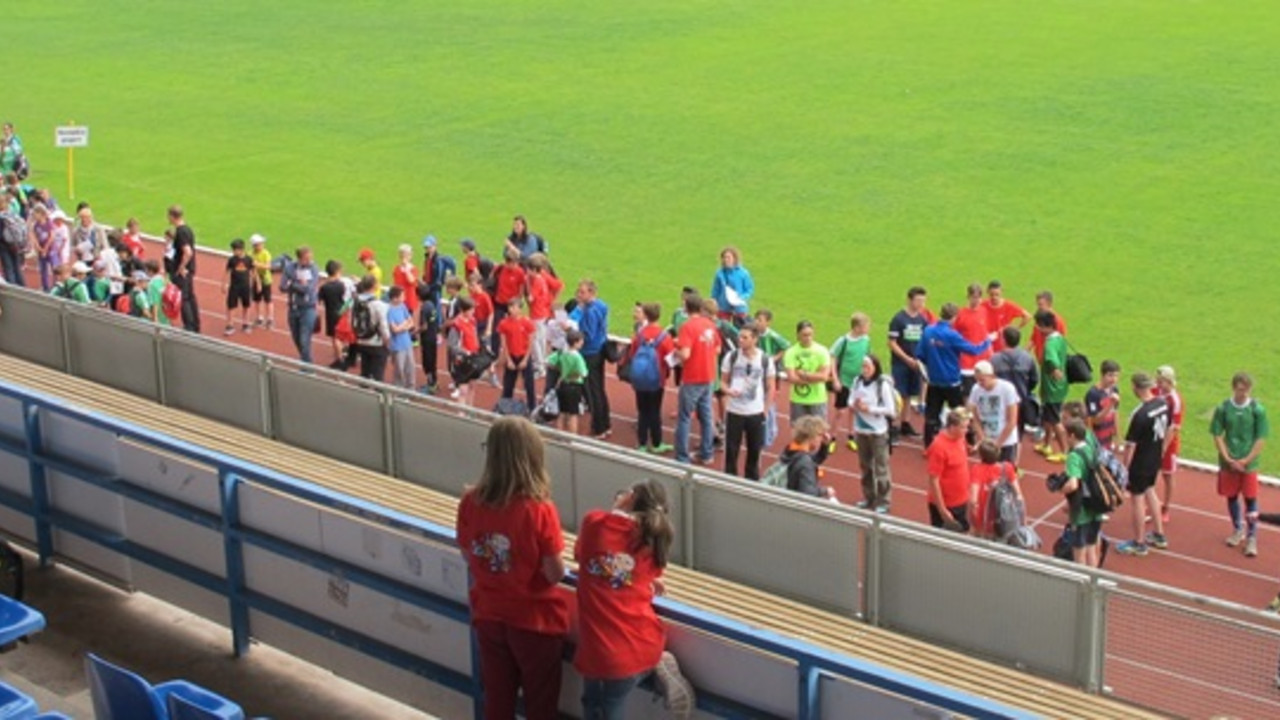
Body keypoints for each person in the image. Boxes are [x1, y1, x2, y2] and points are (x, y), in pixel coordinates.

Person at [455, 417, 569, 720]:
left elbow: (468, 554)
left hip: (489, 614)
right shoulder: (540, 510)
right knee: (540, 703)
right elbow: (555, 572)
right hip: (535, 621)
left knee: (497, 699)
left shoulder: (469, 501)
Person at [574, 480, 694, 719]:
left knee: (598, 705)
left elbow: (582, 553)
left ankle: (656, 662)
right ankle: (654, 661)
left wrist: (615, 510)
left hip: (599, 651)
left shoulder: (595, 523)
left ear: (630, 497)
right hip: (636, 645)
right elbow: (637, 572)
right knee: (604, 703)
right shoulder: (651, 542)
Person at [916, 303, 991, 447]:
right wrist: (987, 342)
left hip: (934, 381)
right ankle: (969, 442)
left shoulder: (928, 331)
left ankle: (928, 445)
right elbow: (974, 350)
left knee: (931, 415)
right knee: (961, 413)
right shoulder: (952, 335)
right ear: (954, 317)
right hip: (952, 382)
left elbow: (920, 354)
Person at [1211, 372, 1269, 558]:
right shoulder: (1223, 408)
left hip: (1248, 464)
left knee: (1250, 498)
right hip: (1229, 462)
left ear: (1250, 389)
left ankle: (1252, 537)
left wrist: (1246, 460)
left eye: (1245, 389)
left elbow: (1261, 438)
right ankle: (1238, 529)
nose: (1242, 392)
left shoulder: (1257, 410)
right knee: (1231, 496)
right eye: (1239, 388)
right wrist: (1227, 458)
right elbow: (1217, 434)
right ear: (1234, 387)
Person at [1115, 372, 1170, 557]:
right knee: (1151, 490)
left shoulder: (1140, 414)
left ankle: (1139, 543)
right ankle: (1159, 534)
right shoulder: (1163, 404)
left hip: (1141, 460)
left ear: (1136, 387)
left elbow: (1130, 446)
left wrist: (1125, 468)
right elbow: (1169, 428)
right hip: (1155, 456)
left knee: (1137, 498)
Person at [721, 322, 774, 480]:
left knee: (754, 453)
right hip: (734, 412)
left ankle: (751, 485)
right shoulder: (731, 357)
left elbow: (771, 387)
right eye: (740, 336)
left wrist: (765, 410)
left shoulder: (764, 360)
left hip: (755, 413)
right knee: (731, 452)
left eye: (745, 337)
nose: (740, 340)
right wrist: (728, 391)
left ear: (755, 339)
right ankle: (729, 482)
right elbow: (722, 381)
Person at [674, 293, 720, 465]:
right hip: (708, 376)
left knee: (684, 417)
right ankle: (707, 453)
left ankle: (681, 457)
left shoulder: (687, 327)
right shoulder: (710, 325)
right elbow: (717, 349)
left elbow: (685, 354)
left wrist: (676, 350)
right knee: (707, 416)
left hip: (692, 376)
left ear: (686, 307)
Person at [627, 302, 675, 454]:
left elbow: (632, 353)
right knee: (654, 411)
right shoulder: (664, 336)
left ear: (646, 315)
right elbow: (671, 357)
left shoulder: (640, 334)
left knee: (642, 411)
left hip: (640, 378)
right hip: (657, 379)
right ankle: (656, 443)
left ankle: (641, 443)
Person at [852, 353, 897, 512]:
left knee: (881, 468)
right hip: (860, 430)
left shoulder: (881, 385)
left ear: (875, 368)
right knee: (865, 467)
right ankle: (868, 497)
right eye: (863, 366)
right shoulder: (857, 381)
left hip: (877, 432)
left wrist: (869, 409)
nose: (864, 369)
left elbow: (891, 410)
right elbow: (850, 401)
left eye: (867, 366)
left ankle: (884, 501)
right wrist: (855, 404)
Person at [1058, 420, 1105, 567]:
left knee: (1079, 551)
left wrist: (1062, 490)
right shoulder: (1091, 448)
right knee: (1092, 547)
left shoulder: (1074, 457)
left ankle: (1081, 585)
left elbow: (1073, 484)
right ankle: (1093, 582)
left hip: (1081, 510)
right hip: (1097, 505)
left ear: (1072, 435)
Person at [572, 280, 612, 439]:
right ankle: (605, 424)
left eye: (582, 292)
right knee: (599, 390)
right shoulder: (601, 305)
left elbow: (587, 335)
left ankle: (599, 428)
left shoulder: (589, 312)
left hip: (589, 353)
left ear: (591, 293)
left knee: (592, 392)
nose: (579, 295)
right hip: (600, 350)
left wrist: (575, 332)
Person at [829, 312, 871, 453]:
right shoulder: (844, 341)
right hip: (844, 381)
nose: (868, 328)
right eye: (866, 326)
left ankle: (851, 437)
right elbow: (833, 358)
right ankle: (832, 437)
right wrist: (835, 378)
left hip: (858, 382)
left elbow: (867, 357)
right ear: (857, 327)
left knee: (854, 409)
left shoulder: (866, 340)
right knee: (840, 411)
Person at [926, 409, 972, 532]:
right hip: (947, 505)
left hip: (961, 500)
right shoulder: (939, 447)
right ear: (952, 427)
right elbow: (934, 480)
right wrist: (942, 510)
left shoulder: (961, 438)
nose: (966, 431)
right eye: (963, 427)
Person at [966, 360, 1021, 463]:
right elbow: (973, 416)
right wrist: (982, 438)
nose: (980, 384)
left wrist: (998, 444)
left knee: (1006, 475)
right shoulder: (976, 389)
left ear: (991, 376)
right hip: (987, 442)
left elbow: (1012, 420)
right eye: (977, 380)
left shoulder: (1007, 388)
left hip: (1006, 442)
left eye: (982, 380)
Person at [969, 440, 1024, 540]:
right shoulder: (1007, 467)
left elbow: (973, 498)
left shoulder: (977, 469)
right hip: (1002, 512)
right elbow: (1018, 494)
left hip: (984, 513)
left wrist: (973, 517)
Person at [991, 326, 1039, 439]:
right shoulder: (1027, 358)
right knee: (1018, 433)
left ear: (1004, 340)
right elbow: (1034, 379)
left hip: (1000, 401)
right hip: (1021, 399)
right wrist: (1025, 390)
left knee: (999, 431)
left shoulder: (995, 359)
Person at [752, 308, 790, 447]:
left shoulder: (773, 336)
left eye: (760, 320)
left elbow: (786, 346)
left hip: (770, 374)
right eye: (756, 319)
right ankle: (761, 430)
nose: (757, 322)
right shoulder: (754, 335)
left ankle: (771, 431)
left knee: (769, 400)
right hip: (757, 373)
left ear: (768, 323)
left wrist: (774, 358)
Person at [1035, 310, 1070, 463]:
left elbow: (1051, 359)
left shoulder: (1049, 343)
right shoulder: (1060, 338)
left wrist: (1055, 369)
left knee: (1055, 420)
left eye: (1039, 326)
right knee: (1047, 417)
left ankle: (1065, 451)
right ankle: (1046, 444)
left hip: (1051, 389)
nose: (1037, 329)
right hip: (1059, 387)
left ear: (1045, 326)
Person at [782, 320, 831, 421]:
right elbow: (792, 378)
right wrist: (815, 377)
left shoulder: (822, 351)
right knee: (799, 432)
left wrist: (803, 374)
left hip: (818, 399)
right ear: (798, 335)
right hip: (798, 399)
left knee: (818, 432)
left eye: (810, 334)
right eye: (804, 335)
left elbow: (824, 376)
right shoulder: (791, 352)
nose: (808, 338)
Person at [525, 252, 563, 378]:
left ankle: (539, 366)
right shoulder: (541, 277)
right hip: (542, 312)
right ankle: (542, 363)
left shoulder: (538, 279)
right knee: (541, 338)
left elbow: (531, 298)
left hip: (538, 313)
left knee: (536, 340)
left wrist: (552, 300)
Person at [281, 247, 321, 364]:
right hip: (293, 308)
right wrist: (299, 285)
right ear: (299, 258)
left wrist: (292, 284)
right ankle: (305, 360)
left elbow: (308, 289)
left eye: (310, 258)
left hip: (308, 308)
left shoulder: (313, 268)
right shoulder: (290, 267)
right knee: (296, 338)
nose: (309, 261)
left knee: (304, 339)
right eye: (306, 259)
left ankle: (307, 367)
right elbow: (282, 286)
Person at [1154, 365, 1183, 524]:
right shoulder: (1156, 391)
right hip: (1154, 439)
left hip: (1168, 443)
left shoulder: (1175, 400)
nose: (1158, 383)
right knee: (1151, 473)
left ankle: (1166, 507)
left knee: (1167, 474)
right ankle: (1154, 502)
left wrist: (1164, 447)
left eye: (1161, 380)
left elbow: (1174, 427)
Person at [954, 283, 994, 396]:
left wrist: (990, 351)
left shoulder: (984, 311)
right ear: (968, 297)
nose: (976, 300)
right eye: (973, 297)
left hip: (983, 357)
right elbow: (955, 336)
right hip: (966, 360)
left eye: (978, 297)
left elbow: (985, 332)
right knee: (967, 392)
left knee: (985, 389)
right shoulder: (961, 314)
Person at [497, 298, 537, 408]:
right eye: (510, 307)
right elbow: (504, 343)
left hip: (524, 356)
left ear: (520, 309)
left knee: (529, 385)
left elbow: (530, 342)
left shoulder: (527, 322)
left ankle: (532, 407)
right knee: (508, 385)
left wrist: (525, 359)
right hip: (511, 356)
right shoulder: (504, 324)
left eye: (515, 307)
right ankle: (505, 406)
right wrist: (508, 359)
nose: (512, 310)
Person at [546, 330, 588, 434]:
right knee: (573, 414)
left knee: (562, 413)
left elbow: (548, 362)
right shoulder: (578, 357)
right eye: (581, 341)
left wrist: (560, 369)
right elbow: (583, 374)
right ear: (575, 342)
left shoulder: (561, 353)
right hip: (574, 387)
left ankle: (560, 436)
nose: (582, 343)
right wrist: (573, 375)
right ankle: (572, 439)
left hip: (563, 384)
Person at [165, 205, 200, 332]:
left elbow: (188, 252)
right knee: (190, 296)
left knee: (184, 298)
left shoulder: (180, 232)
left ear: (172, 216)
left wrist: (181, 267)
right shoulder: (187, 229)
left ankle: (189, 326)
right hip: (190, 269)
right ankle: (195, 325)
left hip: (184, 271)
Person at [351, 275, 391, 382]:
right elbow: (383, 326)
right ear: (374, 286)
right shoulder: (379, 305)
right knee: (378, 375)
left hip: (361, 339)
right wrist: (387, 341)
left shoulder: (356, 300)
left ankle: (362, 393)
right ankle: (379, 397)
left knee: (365, 372)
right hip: (376, 343)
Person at [490, 248, 528, 356]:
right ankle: (494, 353)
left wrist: (518, 302)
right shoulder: (500, 268)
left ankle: (514, 352)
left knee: (514, 329)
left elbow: (521, 288)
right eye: (509, 263)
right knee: (496, 328)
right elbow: (492, 278)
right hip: (499, 302)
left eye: (514, 263)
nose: (511, 265)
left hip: (512, 304)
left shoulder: (520, 272)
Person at [445, 296, 482, 407]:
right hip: (462, 361)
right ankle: (461, 415)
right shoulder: (456, 325)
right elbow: (452, 346)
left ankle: (470, 410)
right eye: (471, 310)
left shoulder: (472, 320)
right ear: (462, 310)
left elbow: (475, 337)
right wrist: (465, 352)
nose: (473, 312)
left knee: (472, 386)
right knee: (463, 390)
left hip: (474, 359)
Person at [709, 246, 753, 326]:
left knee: (740, 329)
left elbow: (749, 289)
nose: (726, 260)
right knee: (723, 329)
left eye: (728, 257)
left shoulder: (743, 273)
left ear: (734, 258)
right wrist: (713, 302)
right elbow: (715, 290)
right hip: (723, 307)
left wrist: (741, 297)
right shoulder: (720, 273)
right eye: (724, 257)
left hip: (739, 307)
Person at [982, 280, 1030, 352]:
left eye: (997, 294)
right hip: (987, 346)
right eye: (991, 295)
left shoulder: (1008, 306)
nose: (994, 297)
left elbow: (1027, 316)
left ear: (1001, 292)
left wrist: (1016, 328)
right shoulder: (983, 306)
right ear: (987, 292)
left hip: (1003, 347)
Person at [1084, 360, 1122, 451]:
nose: (1114, 379)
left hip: (1108, 436)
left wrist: (1118, 435)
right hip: (1096, 438)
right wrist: (1110, 404)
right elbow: (1095, 420)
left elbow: (1115, 413)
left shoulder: (1114, 389)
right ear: (1102, 375)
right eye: (1110, 375)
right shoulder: (1093, 394)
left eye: (1116, 375)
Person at [222, 238, 255, 335]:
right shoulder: (232, 260)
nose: (233, 252)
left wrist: (257, 283)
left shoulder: (248, 259)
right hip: (234, 286)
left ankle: (245, 323)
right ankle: (230, 325)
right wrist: (223, 284)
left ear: (240, 249)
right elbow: (227, 272)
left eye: (235, 250)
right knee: (231, 305)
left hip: (245, 286)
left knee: (246, 305)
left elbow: (253, 271)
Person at [386, 286, 417, 389]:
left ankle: (410, 390)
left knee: (411, 368)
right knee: (399, 370)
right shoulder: (389, 310)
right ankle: (399, 391)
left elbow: (411, 322)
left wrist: (402, 326)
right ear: (395, 298)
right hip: (397, 346)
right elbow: (395, 330)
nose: (404, 297)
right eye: (402, 295)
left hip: (407, 343)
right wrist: (405, 325)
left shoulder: (402, 306)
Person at [1029, 290, 1068, 362]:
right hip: (1041, 360)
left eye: (1041, 304)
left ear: (1049, 304)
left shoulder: (1057, 321)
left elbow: (1060, 343)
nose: (1038, 307)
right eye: (1038, 304)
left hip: (1051, 360)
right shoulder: (1039, 319)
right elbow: (1033, 339)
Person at [249, 234, 273, 328]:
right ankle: (259, 317)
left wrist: (257, 264)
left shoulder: (265, 253)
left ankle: (270, 318)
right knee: (257, 299)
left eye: (262, 244)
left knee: (268, 300)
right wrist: (257, 280)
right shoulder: (250, 254)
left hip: (266, 280)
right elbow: (252, 269)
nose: (262, 245)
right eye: (259, 244)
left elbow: (268, 266)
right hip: (255, 279)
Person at [391, 243, 421, 320]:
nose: (403, 258)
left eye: (406, 255)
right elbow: (395, 284)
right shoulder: (396, 269)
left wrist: (406, 269)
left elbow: (411, 281)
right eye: (402, 255)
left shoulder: (413, 269)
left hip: (409, 300)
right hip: (398, 300)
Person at [0, 197, 25, 286]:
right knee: (17, 267)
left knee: (8, 268)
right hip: (16, 243)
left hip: (4, 245)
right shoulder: (13, 214)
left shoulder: (1, 218)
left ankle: (13, 290)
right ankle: (23, 287)